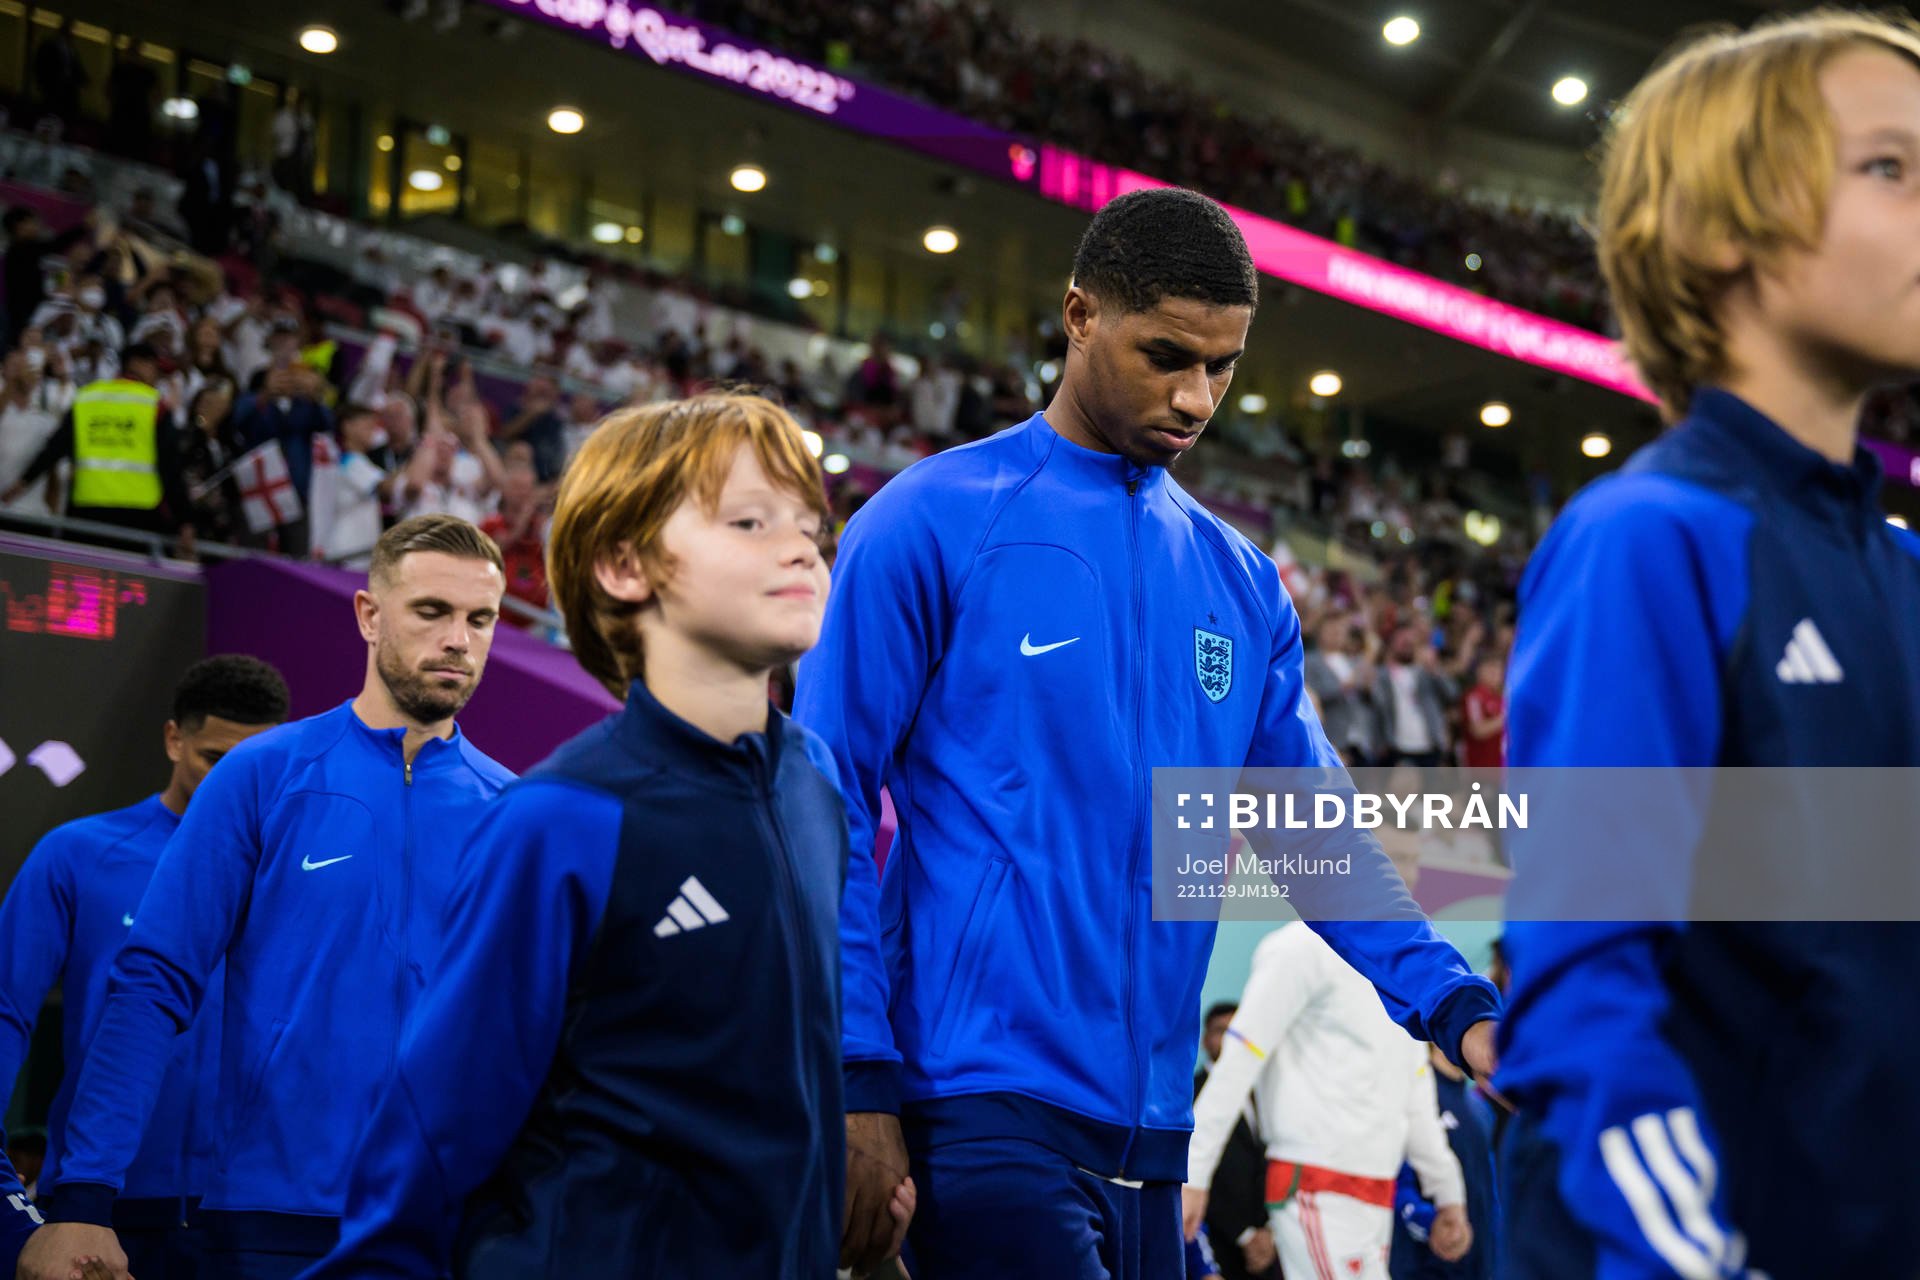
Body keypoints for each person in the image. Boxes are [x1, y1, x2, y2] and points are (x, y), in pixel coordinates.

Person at [795, 186, 1500, 1278]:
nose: (1196, 397)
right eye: (1167, 356)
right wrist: (856, 1074)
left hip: (1152, 1143)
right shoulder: (932, 518)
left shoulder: (1242, 583)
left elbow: (1312, 833)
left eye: (1223, 366)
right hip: (979, 1107)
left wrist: (1452, 1002)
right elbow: (823, 796)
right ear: (1080, 315)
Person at [1495, 13, 1920, 1279]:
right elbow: (1584, 985)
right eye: (1890, 167)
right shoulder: (1648, 539)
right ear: (1726, 226)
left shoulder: (1900, 570)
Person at [306, 395, 906, 1277]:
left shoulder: (814, 784)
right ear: (626, 567)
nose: (801, 549)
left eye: (808, 525)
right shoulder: (560, 819)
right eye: (749, 521)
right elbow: (431, 1145)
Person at [20, 515, 516, 1280]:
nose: (459, 639)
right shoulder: (262, 774)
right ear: (369, 615)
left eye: (479, 619)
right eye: (431, 611)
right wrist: (85, 1197)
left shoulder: (514, 812)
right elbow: (153, 983)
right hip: (270, 1221)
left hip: (449, 1223)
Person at [0, 656, 290, 1280]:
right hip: (101, 1207)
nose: (234, 784)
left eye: (253, 767)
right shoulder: (79, 856)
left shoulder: (301, 872)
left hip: (262, 1214)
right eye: (215, 759)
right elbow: (5, 1012)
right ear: (173, 739)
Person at [1185, 923, 1471, 1280]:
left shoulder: (1401, 968)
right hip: (1315, 1186)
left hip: (1377, 1193)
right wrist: (1194, 1172)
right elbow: (1239, 1059)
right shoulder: (1298, 948)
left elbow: (1416, 1100)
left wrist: (1448, 1194)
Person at [2, 343, 197, 555]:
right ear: (138, 364)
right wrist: (185, 521)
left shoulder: (87, 397)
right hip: (137, 516)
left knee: (80, 573)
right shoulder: (155, 406)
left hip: (86, 511)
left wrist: (22, 483)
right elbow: (170, 467)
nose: (158, 377)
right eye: (156, 369)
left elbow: (55, 448)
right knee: (129, 574)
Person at [1389, 1045, 1498, 1280]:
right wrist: (1430, 1223)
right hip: (1425, 1266)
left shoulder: (1480, 1108)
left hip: (1477, 1267)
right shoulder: (1414, 1099)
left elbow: (1489, 1189)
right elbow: (1395, 1181)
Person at [1194, 1002, 1277, 1280]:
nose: (1229, 1040)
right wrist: (1245, 1235)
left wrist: (1270, 1231)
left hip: (1272, 1244)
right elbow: (1196, 1170)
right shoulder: (1191, 1095)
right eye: (1221, 1031)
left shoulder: (1265, 1090)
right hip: (1219, 1248)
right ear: (1205, 1040)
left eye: (1236, 1032)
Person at [1457, 654, 1504, 772]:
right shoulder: (1474, 697)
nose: (1496, 673)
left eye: (1499, 669)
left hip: (1500, 766)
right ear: (1479, 671)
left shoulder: (1501, 698)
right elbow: (1478, 730)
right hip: (1480, 767)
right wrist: (1506, 718)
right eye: (1491, 668)